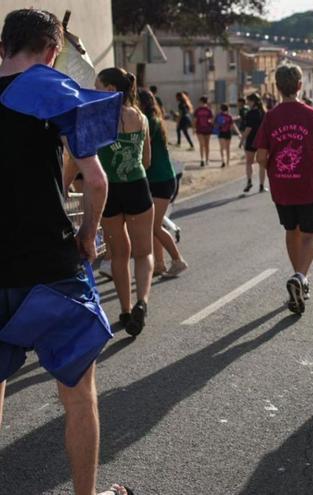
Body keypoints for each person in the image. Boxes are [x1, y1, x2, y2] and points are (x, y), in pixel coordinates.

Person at [0, 8, 132, 495]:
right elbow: (95, 181)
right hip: (51, 265)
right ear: (53, 53)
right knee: (78, 394)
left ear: (2, 47)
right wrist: (88, 235)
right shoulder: (50, 89)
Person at [254, 65, 313, 315]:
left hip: (282, 185)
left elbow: (260, 156)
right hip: (309, 185)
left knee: (292, 230)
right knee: (310, 234)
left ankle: (300, 278)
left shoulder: (271, 116)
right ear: (300, 85)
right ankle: (300, 276)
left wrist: (273, 169)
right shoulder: (311, 114)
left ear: (277, 87)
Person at [95, 67, 156, 337]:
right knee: (144, 252)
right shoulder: (141, 117)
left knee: (119, 254)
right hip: (137, 186)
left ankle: (125, 309)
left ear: (109, 90)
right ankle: (142, 301)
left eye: (97, 86)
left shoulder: (96, 117)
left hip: (109, 191)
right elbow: (147, 160)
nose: (94, 90)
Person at [137, 88, 188, 278]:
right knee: (153, 225)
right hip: (158, 179)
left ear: (141, 103)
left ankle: (177, 260)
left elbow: (142, 149)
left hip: (162, 179)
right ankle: (159, 264)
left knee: (155, 226)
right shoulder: (152, 119)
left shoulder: (149, 121)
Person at [240, 92, 266, 193]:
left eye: (249, 101)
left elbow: (248, 129)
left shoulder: (250, 113)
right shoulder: (264, 113)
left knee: (249, 162)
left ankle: (249, 181)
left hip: (251, 140)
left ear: (253, 102)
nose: (248, 103)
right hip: (262, 141)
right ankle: (261, 185)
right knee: (262, 164)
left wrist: (242, 140)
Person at [215, 103, 240, 168]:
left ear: (221, 109)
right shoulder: (229, 116)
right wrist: (238, 133)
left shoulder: (219, 116)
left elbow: (216, 125)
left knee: (221, 147)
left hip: (221, 133)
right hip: (228, 133)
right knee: (227, 148)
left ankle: (223, 160)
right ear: (228, 109)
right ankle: (228, 162)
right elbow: (233, 126)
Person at [193, 95, 213, 167]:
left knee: (201, 145)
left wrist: (194, 128)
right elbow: (211, 120)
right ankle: (207, 160)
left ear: (201, 101)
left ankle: (202, 159)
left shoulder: (198, 110)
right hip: (207, 129)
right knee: (207, 145)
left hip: (199, 129)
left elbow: (195, 120)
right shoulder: (209, 110)